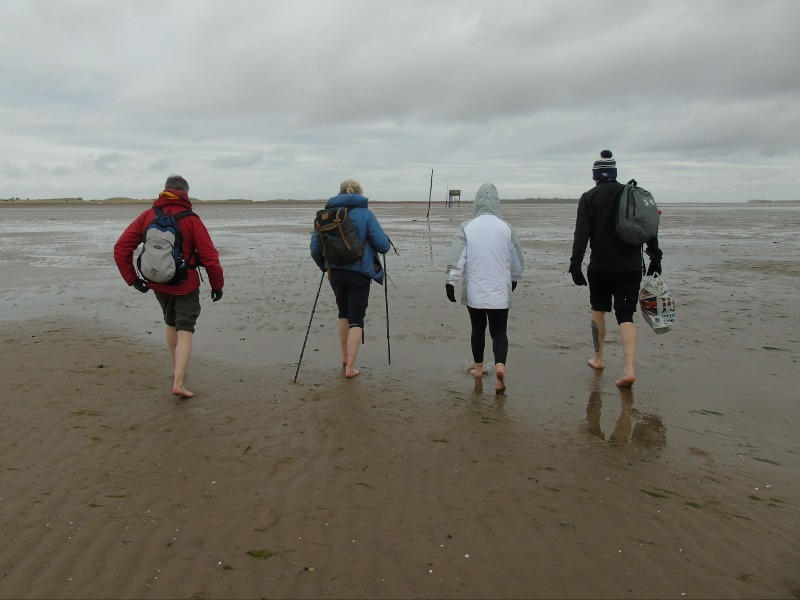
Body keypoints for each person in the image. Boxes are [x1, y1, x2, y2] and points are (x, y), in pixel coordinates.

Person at [114, 175, 225, 398]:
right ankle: (179, 382)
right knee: (185, 329)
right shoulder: (191, 219)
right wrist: (217, 285)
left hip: (158, 283)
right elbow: (210, 257)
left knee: (171, 323)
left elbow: (121, 248)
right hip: (186, 284)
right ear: (186, 193)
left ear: (165, 191)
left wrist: (133, 279)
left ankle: (176, 368)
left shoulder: (147, 216)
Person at [569, 150, 663, 388]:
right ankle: (629, 368)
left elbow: (582, 235)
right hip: (630, 267)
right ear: (614, 174)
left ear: (595, 176)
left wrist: (575, 264)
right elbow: (648, 225)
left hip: (600, 267)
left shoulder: (589, 197)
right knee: (625, 315)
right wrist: (655, 256)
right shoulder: (630, 194)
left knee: (598, 310)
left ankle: (599, 359)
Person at [445, 183, 524, 394]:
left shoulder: (467, 227)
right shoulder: (507, 228)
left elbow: (458, 257)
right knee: (499, 331)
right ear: (497, 202)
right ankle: (500, 367)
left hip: (475, 291)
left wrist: (451, 282)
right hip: (499, 291)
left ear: (476, 202)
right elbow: (517, 259)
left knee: (477, 329)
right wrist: (515, 278)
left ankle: (478, 370)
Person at [310, 179, 391, 379]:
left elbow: (315, 248)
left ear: (339, 194)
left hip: (335, 273)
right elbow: (383, 246)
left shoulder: (325, 216)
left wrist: (325, 267)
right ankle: (350, 368)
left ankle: (345, 357)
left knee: (343, 313)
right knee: (357, 318)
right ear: (360, 193)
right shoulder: (366, 214)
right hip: (359, 272)